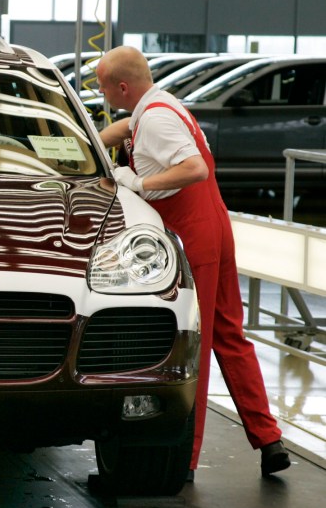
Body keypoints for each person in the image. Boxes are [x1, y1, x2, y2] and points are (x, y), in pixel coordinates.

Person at [95, 46, 290, 480]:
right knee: (228, 333)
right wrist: (88, 140)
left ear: (121, 87)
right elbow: (130, 127)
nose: (99, 91)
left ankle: (185, 455)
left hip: (194, 227)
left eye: (101, 85)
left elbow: (194, 168)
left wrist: (137, 181)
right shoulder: (160, 105)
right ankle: (269, 437)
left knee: (192, 340)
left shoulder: (158, 118)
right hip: (214, 222)